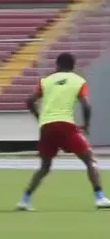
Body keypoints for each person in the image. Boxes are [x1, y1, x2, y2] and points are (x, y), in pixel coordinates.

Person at [17, 52, 110, 211]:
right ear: (73, 66)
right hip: (66, 125)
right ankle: (100, 197)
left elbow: (29, 101)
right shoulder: (78, 81)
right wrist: (86, 125)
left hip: (47, 127)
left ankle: (24, 200)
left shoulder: (45, 81)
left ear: (57, 65)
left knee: (45, 167)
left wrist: (40, 118)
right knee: (89, 160)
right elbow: (86, 105)